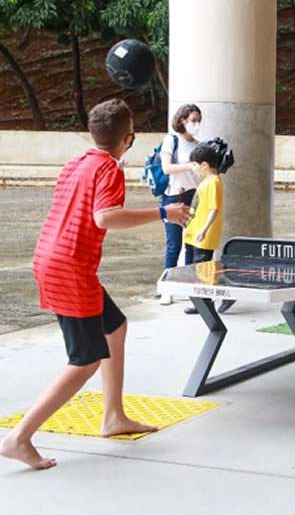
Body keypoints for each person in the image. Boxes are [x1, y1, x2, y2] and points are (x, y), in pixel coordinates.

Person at [0, 99, 190, 470]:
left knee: (115, 327)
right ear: (129, 138)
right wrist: (164, 212)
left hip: (53, 258)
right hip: (69, 268)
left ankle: (113, 416)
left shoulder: (77, 163)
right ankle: (18, 439)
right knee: (84, 360)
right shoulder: (108, 169)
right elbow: (105, 217)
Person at [159, 104, 202, 304]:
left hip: (193, 196)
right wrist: (189, 166)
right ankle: (167, 288)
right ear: (182, 120)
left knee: (190, 245)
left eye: (198, 120)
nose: (197, 124)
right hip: (173, 196)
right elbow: (166, 168)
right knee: (173, 245)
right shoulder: (171, 140)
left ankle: (186, 283)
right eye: (193, 120)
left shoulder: (198, 145)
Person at [182, 142, 225, 315]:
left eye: (194, 165)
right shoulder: (207, 181)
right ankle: (201, 302)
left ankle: (205, 303)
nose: (193, 168)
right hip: (196, 232)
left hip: (203, 234)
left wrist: (204, 229)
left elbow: (214, 209)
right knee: (197, 267)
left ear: (204, 165)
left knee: (203, 268)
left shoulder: (213, 182)